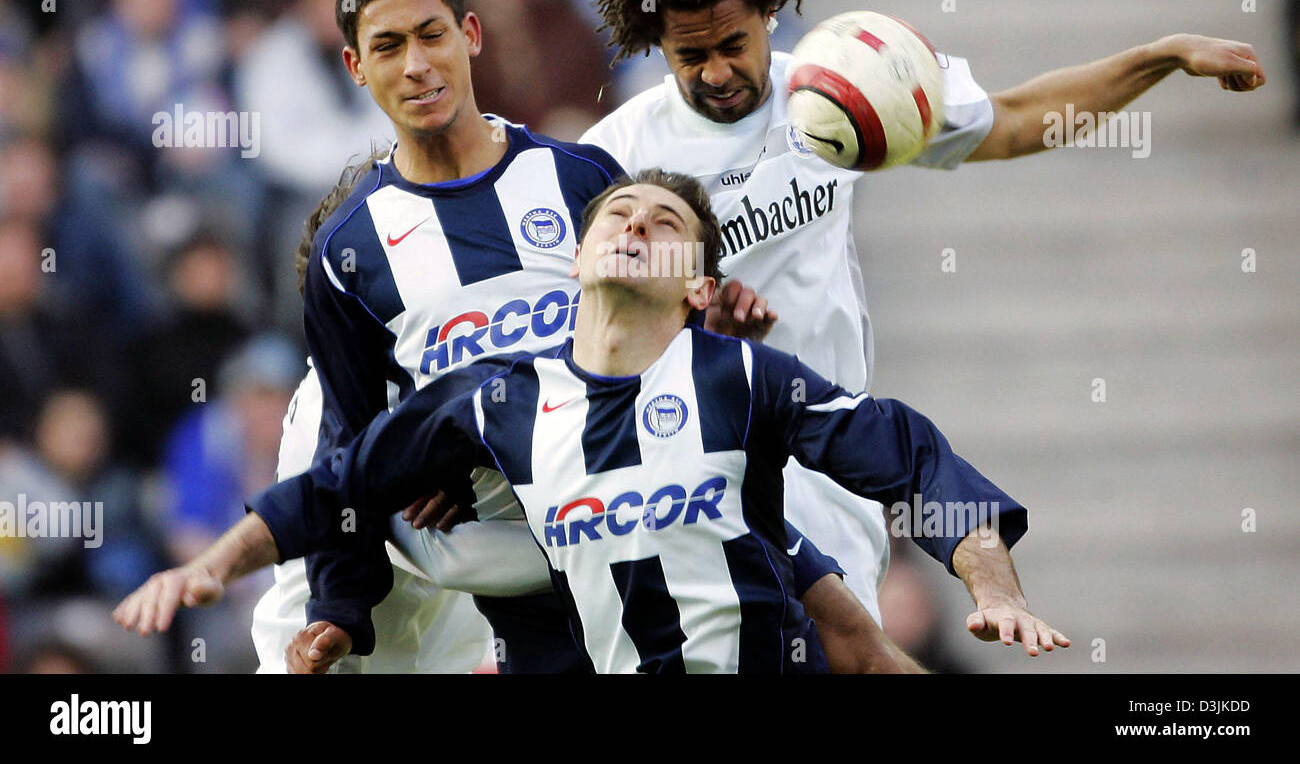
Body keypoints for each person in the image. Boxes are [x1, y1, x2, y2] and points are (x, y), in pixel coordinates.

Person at [576, 0, 1267, 626]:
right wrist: (691, 328)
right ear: (657, 43)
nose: (716, 72)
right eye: (692, 55)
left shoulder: (839, 90)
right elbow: (582, 335)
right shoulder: (614, 161)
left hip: (828, 464)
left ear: (770, 15)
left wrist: (1159, 56)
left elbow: (1020, 120)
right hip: (687, 473)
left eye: (732, 45)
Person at [113, 170, 1069, 673]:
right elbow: (330, 491)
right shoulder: (497, 404)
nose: (635, 223)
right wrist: (207, 566)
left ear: (699, 285)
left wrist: (997, 585)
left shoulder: (744, 381)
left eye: (663, 220)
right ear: (573, 260)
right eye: (618, 212)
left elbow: (913, 459)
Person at [246, 0, 870, 674]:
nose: (416, 65)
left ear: (470, 34)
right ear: (355, 67)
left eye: (431, 35)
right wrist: (337, 613)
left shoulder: (581, 181)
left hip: (646, 544)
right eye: (388, 46)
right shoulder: (344, 307)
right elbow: (338, 488)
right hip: (511, 595)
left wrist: (704, 330)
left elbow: (655, 349)